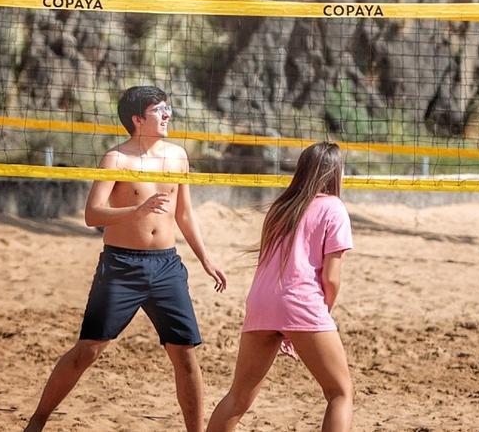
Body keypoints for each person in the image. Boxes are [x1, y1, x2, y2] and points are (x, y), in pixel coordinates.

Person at [24, 85, 227, 432]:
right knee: (88, 350)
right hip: (121, 267)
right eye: (159, 110)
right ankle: (37, 422)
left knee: (185, 356)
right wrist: (137, 209)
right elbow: (92, 214)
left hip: (166, 266)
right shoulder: (116, 159)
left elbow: (185, 215)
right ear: (137, 118)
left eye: (168, 108)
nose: (167, 115)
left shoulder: (177, 156)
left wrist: (206, 259)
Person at [207, 141, 354, 432]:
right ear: (335, 173)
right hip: (301, 302)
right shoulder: (334, 207)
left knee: (238, 397)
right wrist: (322, 314)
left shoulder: (281, 207)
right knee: (340, 393)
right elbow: (332, 278)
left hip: (261, 302)